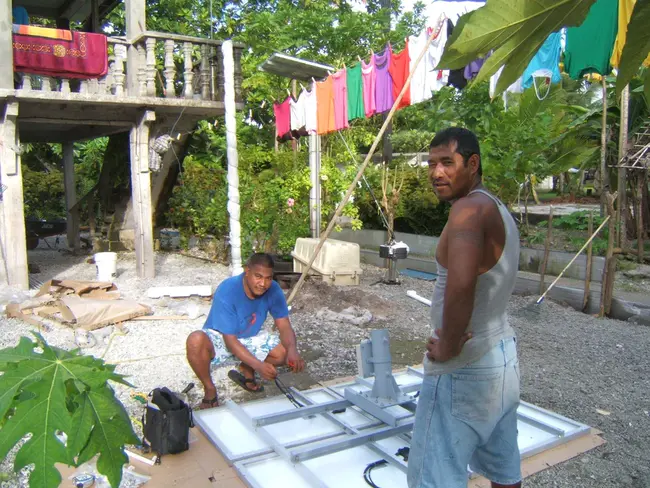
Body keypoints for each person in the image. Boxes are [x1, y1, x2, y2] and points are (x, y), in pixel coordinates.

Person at [407, 128, 522, 488]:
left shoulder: (468, 209)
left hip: (465, 366)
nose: (436, 173)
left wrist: (449, 343)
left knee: (434, 478)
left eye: (447, 163)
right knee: (504, 470)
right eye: (431, 164)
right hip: (501, 357)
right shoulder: (494, 206)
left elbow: (461, 282)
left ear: (472, 164)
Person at [186, 253, 305, 409]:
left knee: (284, 354)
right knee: (195, 340)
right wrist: (259, 365)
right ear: (246, 271)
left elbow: (284, 325)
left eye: (268, 278)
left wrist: (292, 349)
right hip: (222, 337)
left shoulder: (274, 290)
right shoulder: (228, 290)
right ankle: (209, 389)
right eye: (258, 276)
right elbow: (230, 342)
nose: (263, 284)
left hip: (250, 336)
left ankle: (246, 367)